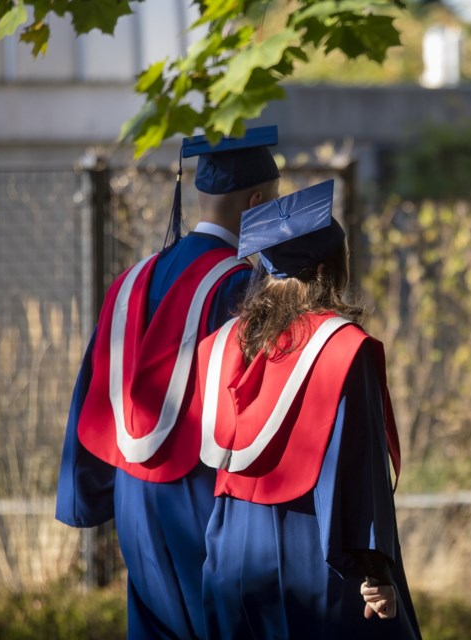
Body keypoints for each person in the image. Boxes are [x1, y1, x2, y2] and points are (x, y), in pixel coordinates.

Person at [55, 125, 281, 639]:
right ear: (258, 200)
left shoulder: (131, 279)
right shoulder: (241, 287)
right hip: (199, 495)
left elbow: (91, 388)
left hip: (133, 496)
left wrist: (86, 493)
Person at [196, 180, 422, 639]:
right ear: (326, 270)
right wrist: (377, 572)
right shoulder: (343, 349)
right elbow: (357, 473)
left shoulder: (219, 347)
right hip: (311, 558)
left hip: (226, 559)